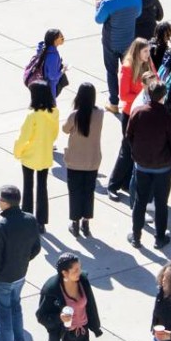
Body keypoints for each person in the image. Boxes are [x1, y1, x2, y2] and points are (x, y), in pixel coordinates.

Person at [0, 183, 41, 341]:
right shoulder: (30, 219)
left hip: (2, 279)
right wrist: (23, 261)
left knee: (4, 320)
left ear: (6, 203)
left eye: (0, 199)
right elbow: (36, 248)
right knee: (16, 311)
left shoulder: (0, 225)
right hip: (20, 276)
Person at [125, 82, 171, 248]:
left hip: (142, 166)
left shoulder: (138, 112)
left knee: (140, 201)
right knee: (161, 203)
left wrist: (137, 153)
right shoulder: (168, 118)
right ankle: (160, 238)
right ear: (163, 96)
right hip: (163, 168)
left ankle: (136, 237)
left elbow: (129, 135)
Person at [94, 0, 142, 109]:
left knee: (111, 71)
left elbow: (98, 19)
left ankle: (114, 103)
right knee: (130, 71)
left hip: (111, 42)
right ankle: (131, 100)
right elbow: (137, 14)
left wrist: (98, 6)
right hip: (128, 42)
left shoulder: (108, 2)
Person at [13, 80, 58, 228]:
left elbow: (23, 137)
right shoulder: (54, 113)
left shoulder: (32, 116)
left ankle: (28, 219)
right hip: (45, 155)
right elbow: (54, 134)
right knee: (42, 187)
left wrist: (17, 152)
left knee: (28, 187)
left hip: (29, 156)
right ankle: (41, 221)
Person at [61, 83, 103, 239]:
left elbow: (65, 129)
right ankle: (86, 222)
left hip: (74, 161)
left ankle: (75, 223)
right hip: (92, 161)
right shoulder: (100, 114)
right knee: (88, 192)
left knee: (75, 192)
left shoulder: (74, 116)